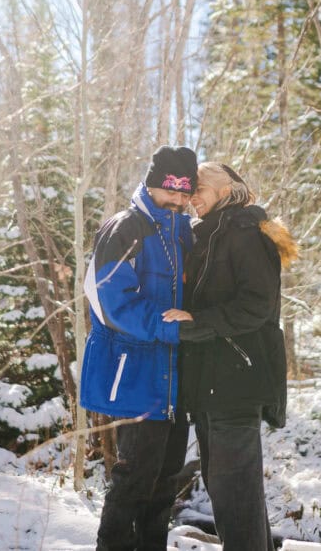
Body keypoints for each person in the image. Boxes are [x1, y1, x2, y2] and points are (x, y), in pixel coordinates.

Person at [162, 161, 298, 551]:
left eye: (198, 188)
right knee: (227, 491)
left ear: (226, 189)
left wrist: (196, 321)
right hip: (210, 383)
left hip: (237, 379)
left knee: (235, 492)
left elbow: (257, 305)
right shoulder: (211, 234)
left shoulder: (245, 232)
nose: (190, 199)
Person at [79, 145, 199, 551]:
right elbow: (108, 298)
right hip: (135, 373)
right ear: (152, 184)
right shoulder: (127, 227)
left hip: (173, 378)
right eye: (172, 189)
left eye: (186, 192)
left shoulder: (182, 233)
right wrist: (168, 328)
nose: (179, 199)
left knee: (165, 484)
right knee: (133, 483)